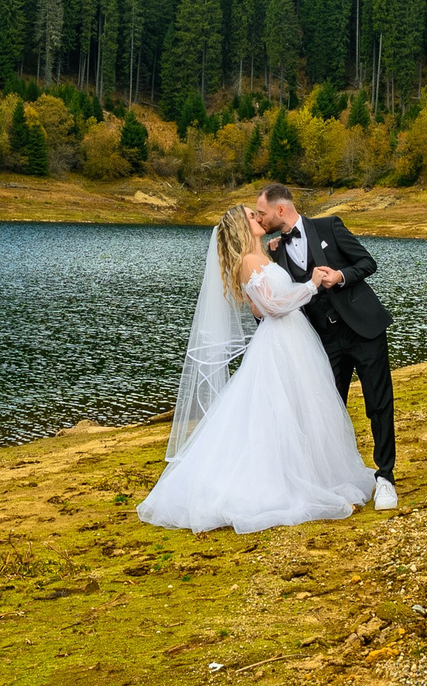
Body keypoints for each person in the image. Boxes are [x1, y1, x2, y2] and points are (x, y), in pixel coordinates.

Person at [136, 204, 376, 533]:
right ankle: (284, 485)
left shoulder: (260, 256)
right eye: (252, 216)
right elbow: (271, 308)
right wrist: (311, 286)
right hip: (279, 343)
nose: (259, 218)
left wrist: (279, 263)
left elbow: (261, 304)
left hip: (293, 339)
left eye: (257, 213)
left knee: (301, 409)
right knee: (279, 412)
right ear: (241, 227)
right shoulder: (248, 262)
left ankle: (312, 476)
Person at [250, 181, 398, 509]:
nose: (259, 219)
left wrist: (340, 276)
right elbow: (278, 298)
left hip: (363, 328)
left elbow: (367, 263)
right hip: (322, 340)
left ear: (280, 209)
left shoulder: (329, 225)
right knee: (327, 409)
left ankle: (385, 477)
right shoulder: (275, 251)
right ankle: (333, 478)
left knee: (378, 402)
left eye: (262, 213)